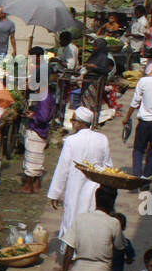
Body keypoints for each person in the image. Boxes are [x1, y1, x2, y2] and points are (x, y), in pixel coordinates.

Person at [48, 106, 112, 247]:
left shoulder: (71, 141)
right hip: (95, 189)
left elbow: (62, 169)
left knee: (72, 219)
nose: (72, 123)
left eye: (73, 120)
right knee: (90, 219)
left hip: (74, 188)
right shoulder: (102, 139)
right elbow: (108, 167)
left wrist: (55, 194)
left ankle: (69, 255)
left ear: (79, 122)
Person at [20, 79, 59, 193]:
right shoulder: (46, 96)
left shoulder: (44, 97)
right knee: (37, 159)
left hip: (37, 130)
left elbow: (43, 117)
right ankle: (35, 185)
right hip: (40, 131)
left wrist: (32, 116)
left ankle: (28, 186)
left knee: (32, 159)